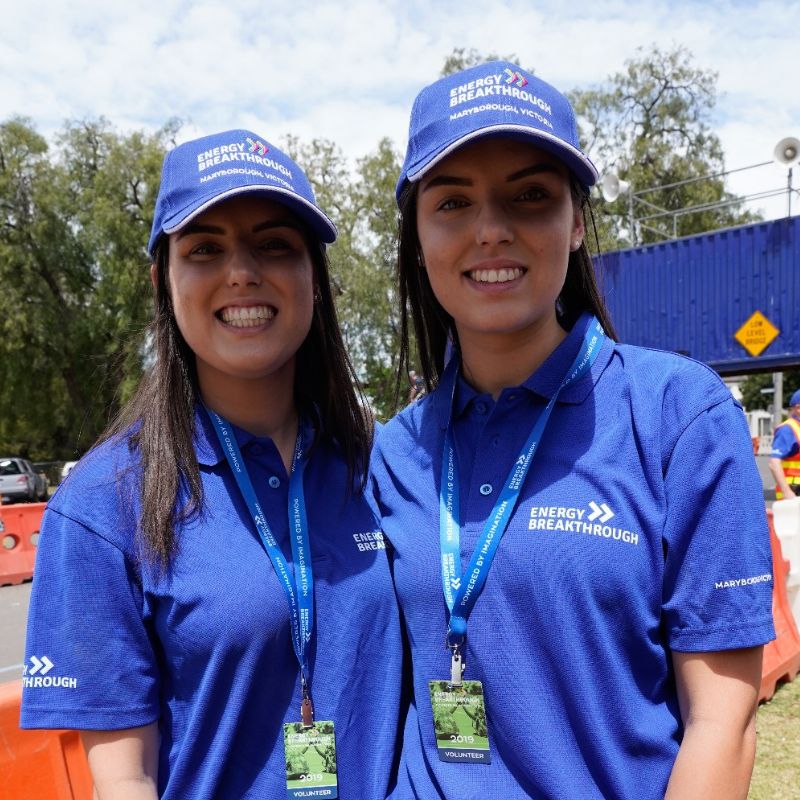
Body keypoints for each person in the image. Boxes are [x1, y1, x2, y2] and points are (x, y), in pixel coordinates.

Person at [370, 62, 775, 800]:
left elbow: (725, 723)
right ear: (418, 233)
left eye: (529, 196)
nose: (490, 230)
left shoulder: (680, 418)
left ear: (577, 221)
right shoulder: (393, 454)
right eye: (452, 202)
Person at [21, 129, 403, 799]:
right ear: (163, 281)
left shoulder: (378, 465)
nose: (242, 272)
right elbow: (125, 780)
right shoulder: (100, 508)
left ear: (315, 275)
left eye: (275, 244)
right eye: (205, 248)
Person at [769, 387, 800, 499]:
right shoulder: (787, 429)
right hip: (794, 493)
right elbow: (774, 463)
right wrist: (786, 492)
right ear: (798, 408)